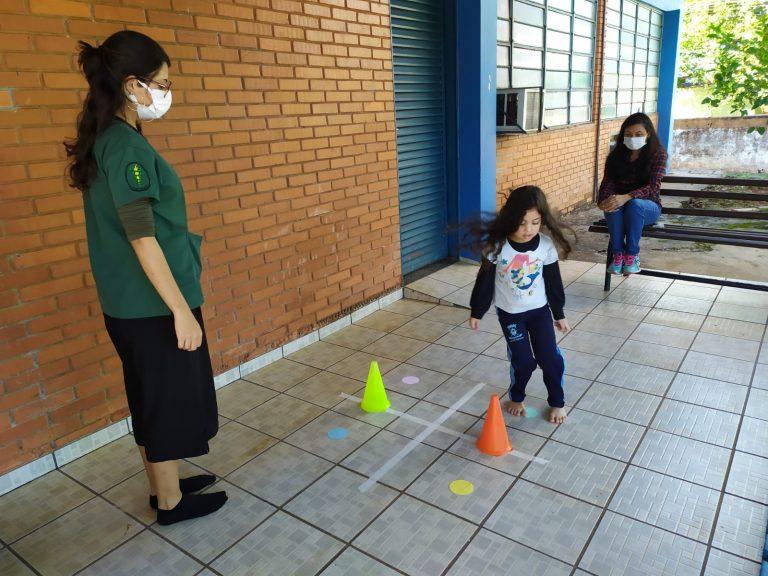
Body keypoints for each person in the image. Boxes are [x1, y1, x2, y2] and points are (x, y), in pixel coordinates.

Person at [64, 31, 226, 525]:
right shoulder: (125, 148)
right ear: (133, 85)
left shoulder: (112, 138)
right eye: (163, 82)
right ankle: (172, 504)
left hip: (130, 305)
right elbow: (142, 238)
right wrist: (180, 311)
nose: (167, 92)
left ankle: (165, 487)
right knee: (167, 402)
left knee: (150, 398)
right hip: (154, 306)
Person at [468, 186, 572, 424]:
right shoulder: (497, 247)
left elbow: (554, 283)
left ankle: (557, 401)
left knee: (549, 358)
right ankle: (516, 397)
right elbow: (484, 282)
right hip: (510, 314)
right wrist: (478, 310)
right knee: (524, 361)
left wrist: (559, 313)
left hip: (539, 312)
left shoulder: (545, 246)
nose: (529, 230)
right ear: (510, 218)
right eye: (522, 223)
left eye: (535, 223)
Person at [597, 112, 668, 275]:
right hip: (621, 207)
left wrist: (627, 197)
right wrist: (603, 201)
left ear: (648, 134)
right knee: (612, 204)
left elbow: (653, 187)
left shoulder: (658, 154)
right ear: (622, 135)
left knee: (634, 204)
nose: (633, 137)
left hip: (648, 207)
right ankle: (618, 255)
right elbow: (607, 183)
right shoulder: (615, 156)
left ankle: (632, 255)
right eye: (628, 134)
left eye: (638, 134)